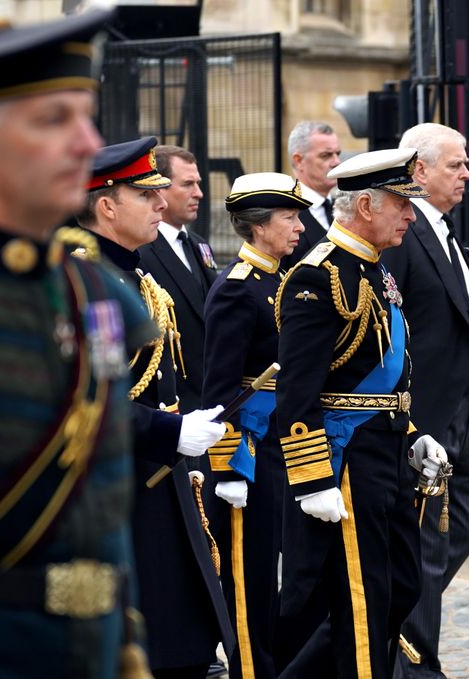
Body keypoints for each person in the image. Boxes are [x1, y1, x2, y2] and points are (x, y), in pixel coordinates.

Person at [0, 11, 163, 677]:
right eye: (53, 120)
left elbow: (104, 512)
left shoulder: (98, 294)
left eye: (87, 116)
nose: (87, 143)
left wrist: (128, 648)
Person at [274, 148, 448, 679]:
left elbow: (388, 367)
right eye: (402, 203)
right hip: (345, 460)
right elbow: (297, 391)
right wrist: (311, 479)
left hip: (387, 448)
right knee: (362, 598)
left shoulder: (375, 270)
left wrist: (413, 432)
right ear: (367, 206)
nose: (411, 215)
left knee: (401, 587)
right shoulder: (317, 276)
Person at [77, 136, 236, 679]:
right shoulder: (91, 284)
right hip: (123, 492)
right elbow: (91, 404)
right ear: (106, 205)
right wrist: (169, 430)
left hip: (162, 482)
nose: (161, 205)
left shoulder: (134, 276)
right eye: (146, 196)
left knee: (184, 644)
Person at [379, 123, 469, 679]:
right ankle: (416, 662)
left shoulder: (449, 234)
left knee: (462, 530)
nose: (468, 175)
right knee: (428, 537)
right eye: (457, 165)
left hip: (464, 408)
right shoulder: (404, 237)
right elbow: (389, 327)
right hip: (423, 415)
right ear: (419, 171)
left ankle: (394, 624)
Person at [202, 172, 310, 679]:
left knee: (293, 575)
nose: (299, 227)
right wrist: (227, 470)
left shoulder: (286, 281)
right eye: (289, 218)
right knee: (252, 577)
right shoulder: (236, 290)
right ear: (258, 226)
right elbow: (220, 389)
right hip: (253, 450)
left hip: (290, 444)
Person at [138, 144, 217, 412]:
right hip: (176, 403)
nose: (199, 193)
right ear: (158, 188)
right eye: (188, 184)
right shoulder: (141, 251)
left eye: (198, 183)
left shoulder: (197, 244)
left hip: (209, 397)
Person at [280, 120, 341, 269]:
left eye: (337, 154)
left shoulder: (340, 207)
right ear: (299, 161)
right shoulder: (283, 213)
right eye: (326, 155)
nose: (336, 162)